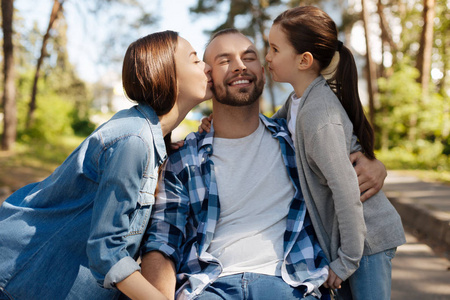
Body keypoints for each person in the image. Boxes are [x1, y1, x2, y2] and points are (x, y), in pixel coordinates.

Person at [140, 29, 388, 300]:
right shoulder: (184, 159)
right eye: (224, 61)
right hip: (210, 286)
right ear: (208, 76)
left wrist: (375, 164)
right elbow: (163, 240)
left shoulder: (296, 141)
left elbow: (342, 159)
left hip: (292, 284)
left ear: (263, 69)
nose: (240, 66)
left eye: (249, 57)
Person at [0, 30, 212, 300]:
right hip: (23, 275)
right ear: (168, 74)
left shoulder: (150, 139)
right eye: (195, 60)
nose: (207, 67)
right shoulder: (134, 140)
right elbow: (106, 252)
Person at [265, 6, 406, 299]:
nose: (267, 57)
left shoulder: (319, 115)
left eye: (275, 49)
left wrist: (346, 261)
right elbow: (264, 127)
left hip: (366, 242)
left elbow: (345, 191)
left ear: (304, 60)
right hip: (350, 243)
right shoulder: (297, 103)